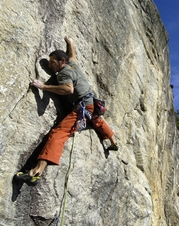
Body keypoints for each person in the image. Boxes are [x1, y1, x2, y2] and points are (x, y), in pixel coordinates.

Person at [15, 36, 118, 186]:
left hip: (82, 106)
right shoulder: (72, 65)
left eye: (53, 62)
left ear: (61, 61)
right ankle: (114, 142)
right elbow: (72, 55)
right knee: (97, 121)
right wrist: (70, 43)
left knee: (58, 134)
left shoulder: (64, 73)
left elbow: (68, 89)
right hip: (92, 103)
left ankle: (35, 173)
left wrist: (43, 87)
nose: (50, 66)